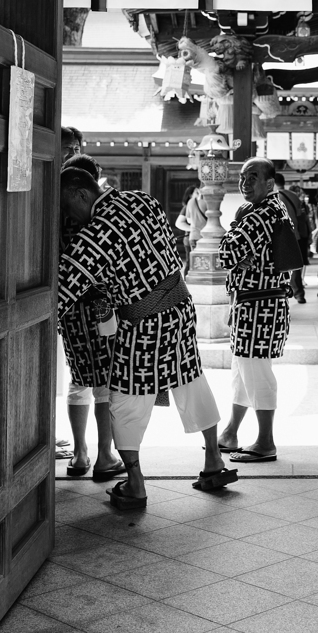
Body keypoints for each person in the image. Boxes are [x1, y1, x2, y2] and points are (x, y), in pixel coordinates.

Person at [59, 167, 234, 508]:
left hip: (143, 322)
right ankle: (214, 461)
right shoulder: (144, 201)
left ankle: (135, 483)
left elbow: (62, 293)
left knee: (125, 399)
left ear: (82, 194)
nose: (69, 216)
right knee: (191, 380)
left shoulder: (92, 236)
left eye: (68, 207)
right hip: (181, 308)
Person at [217, 158, 294, 463]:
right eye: (242, 177)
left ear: (269, 184)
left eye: (253, 177)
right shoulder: (269, 209)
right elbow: (236, 254)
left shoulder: (259, 215)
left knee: (256, 372)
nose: (245, 183)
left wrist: (234, 231)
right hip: (258, 302)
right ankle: (231, 432)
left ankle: (265, 441)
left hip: (258, 305)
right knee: (243, 371)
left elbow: (226, 255)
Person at [59, 155, 122, 482]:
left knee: (78, 379)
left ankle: (80, 454)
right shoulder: (98, 216)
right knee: (105, 383)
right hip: (99, 307)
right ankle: (105, 456)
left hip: (69, 309)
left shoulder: (55, 213)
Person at [274, 172, 311, 303]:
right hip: (295, 235)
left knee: (277, 266)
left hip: (279, 237)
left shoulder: (272, 197)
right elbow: (301, 215)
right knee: (295, 266)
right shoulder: (293, 196)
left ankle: (280, 294)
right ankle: (299, 294)